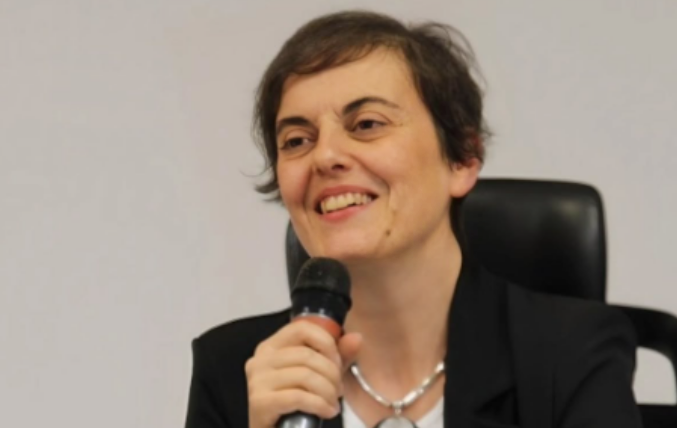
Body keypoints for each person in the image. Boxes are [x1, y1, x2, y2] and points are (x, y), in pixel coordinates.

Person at [185, 10, 642, 428]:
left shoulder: (573, 352)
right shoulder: (234, 371)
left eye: (367, 124)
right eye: (297, 140)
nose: (324, 156)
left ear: (462, 159)